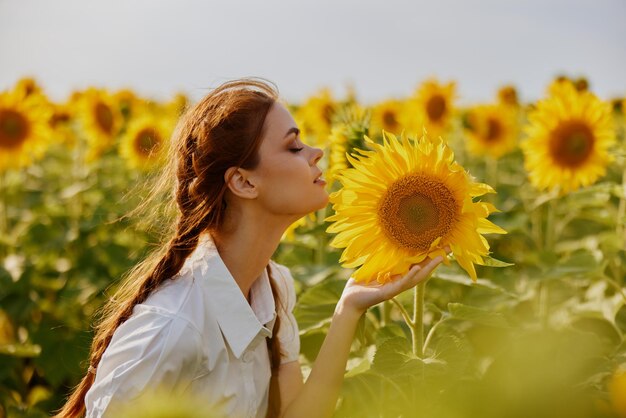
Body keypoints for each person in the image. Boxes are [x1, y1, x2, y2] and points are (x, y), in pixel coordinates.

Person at [54, 79, 444, 418]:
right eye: (293, 147)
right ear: (243, 182)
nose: (316, 153)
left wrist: (349, 308)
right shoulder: (170, 332)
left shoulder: (273, 287)